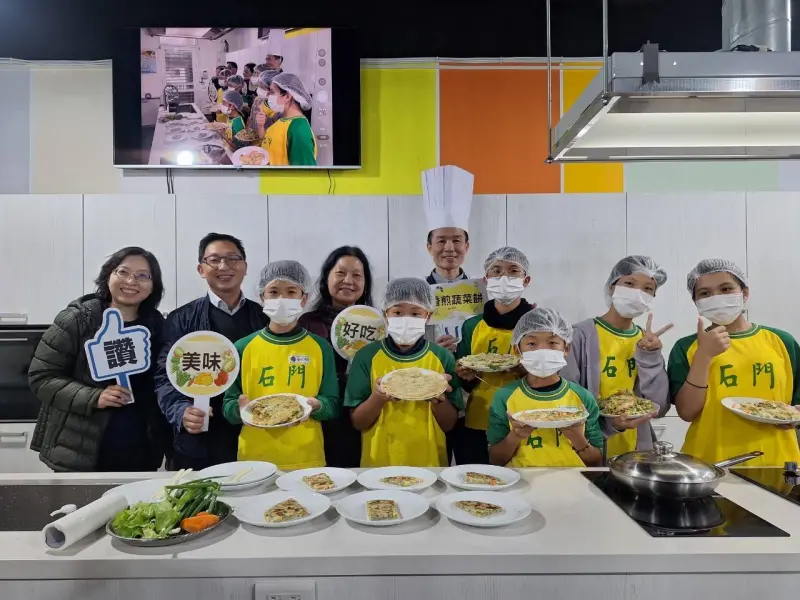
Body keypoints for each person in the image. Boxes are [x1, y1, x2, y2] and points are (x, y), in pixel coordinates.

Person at [28, 247, 170, 472]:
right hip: (79, 453)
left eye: (143, 275)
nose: (131, 281)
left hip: (141, 451)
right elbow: (42, 377)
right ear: (108, 275)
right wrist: (95, 397)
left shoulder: (157, 326)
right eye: (123, 272)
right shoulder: (77, 319)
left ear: (154, 285)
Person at [668, 258, 800, 466]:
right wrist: (703, 356)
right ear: (696, 302)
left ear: (744, 293)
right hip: (710, 463)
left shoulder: (782, 341)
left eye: (726, 289)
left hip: (777, 462)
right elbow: (687, 412)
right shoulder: (686, 347)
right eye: (705, 293)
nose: (716, 297)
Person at [155, 233, 267, 470]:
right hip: (199, 441)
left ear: (245, 267)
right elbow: (165, 376)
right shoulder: (181, 319)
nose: (224, 266)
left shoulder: (265, 318)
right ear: (201, 269)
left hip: (255, 435)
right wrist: (180, 411)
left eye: (233, 258)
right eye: (214, 260)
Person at [222, 261, 339, 470]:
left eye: (291, 292)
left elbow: (332, 403)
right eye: (274, 292)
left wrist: (318, 406)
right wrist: (238, 410)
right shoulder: (242, 348)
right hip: (254, 458)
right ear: (262, 297)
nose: (282, 299)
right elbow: (228, 403)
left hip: (306, 456)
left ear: (304, 299)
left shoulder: (320, 347)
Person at [562, 255, 672, 458]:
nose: (637, 293)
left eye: (648, 288)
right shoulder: (580, 336)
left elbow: (660, 406)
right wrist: (611, 425)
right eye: (629, 284)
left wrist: (651, 356)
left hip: (635, 451)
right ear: (611, 287)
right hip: (588, 447)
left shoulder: (646, 341)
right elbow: (567, 401)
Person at [344, 278, 462, 467]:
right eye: (397, 312)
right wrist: (377, 397)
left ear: (428, 316)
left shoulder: (442, 357)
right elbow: (358, 423)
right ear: (386, 314)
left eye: (416, 313)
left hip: (430, 462)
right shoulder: (366, 356)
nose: (406, 319)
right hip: (379, 462)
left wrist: (438, 397)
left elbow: (449, 425)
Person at [488, 308, 603, 467]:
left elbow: (596, 462)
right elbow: (495, 460)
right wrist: (515, 435)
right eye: (532, 343)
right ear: (517, 350)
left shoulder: (582, 397)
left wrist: (578, 439)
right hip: (522, 479)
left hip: (572, 479)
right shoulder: (505, 397)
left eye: (552, 343)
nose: (542, 350)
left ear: (566, 348)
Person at [455, 247, 534, 464]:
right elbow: (463, 378)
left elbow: (551, 375)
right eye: (496, 271)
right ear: (486, 279)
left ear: (526, 280)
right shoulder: (472, 325)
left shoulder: (536, 324)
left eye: (513, 271)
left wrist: (527, 371)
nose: (504, 278)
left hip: (523, 419)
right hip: (478, 418)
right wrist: (464, 374)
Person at [299, 246, 374, 467]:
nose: (348, 281)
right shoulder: (307, 323)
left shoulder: (377, 325)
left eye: (357, 275)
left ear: (365, 283)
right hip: (319, 415)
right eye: (340, 273)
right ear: (326, 278)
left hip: (364, 413)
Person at [421, 165, 475, 353]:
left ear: (466, 247)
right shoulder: (417, 293)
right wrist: (431, 349)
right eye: (441, 241)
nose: (449, 248)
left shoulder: (480, 291)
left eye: (457, 240)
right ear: (429, 247)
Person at [261, 73, 317, 166]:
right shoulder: (283, 121)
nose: (268, 96)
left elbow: (304, 173)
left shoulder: (299, 130)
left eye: (272, 92)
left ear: (287, 97)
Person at [248, 69, 280, 135]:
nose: (259, 89)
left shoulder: (278, 109)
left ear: (271, 89)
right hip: (253, 136)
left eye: (262, 87)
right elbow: (251, 118)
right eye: (259, 86)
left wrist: (266, 120)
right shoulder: (257, 100)